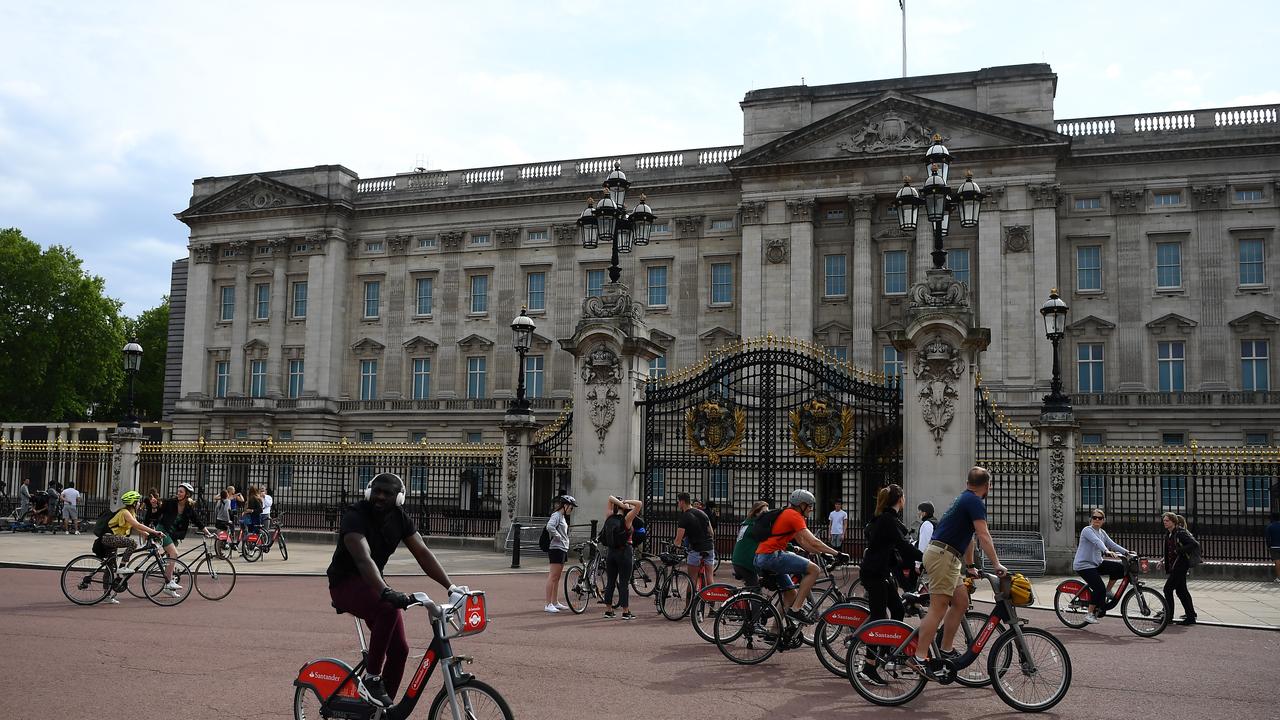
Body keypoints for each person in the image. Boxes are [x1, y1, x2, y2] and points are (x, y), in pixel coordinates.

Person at [327, 472, 457, 708]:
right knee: (387, 607)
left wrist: (451, 587)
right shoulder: (355, 515)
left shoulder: (400, 518)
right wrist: (386, 591)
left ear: (399, 498)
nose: (380, 496)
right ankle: (372, 678)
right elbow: (363, 559)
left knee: (400, 651)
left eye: (387, 493)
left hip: (374, 586)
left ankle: (381, 710)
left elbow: (423, 554)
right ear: (368, 491)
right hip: (345, 584)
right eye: (376, 490)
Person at [913, 467, 1006, 677]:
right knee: (938, 608)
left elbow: (969, 536)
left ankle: (945, 651)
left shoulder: (965, 498)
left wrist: (971, 565)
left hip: (947, 556)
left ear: (967, 483)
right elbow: (983, 535)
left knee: (961, 602)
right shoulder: (974, 502)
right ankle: (919, 657)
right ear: (987, 486)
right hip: (943, 556)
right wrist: (997, 564)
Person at [753, 489, 848, 625]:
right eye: (809, 506)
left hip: (763, 557)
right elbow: (813, 541)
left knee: (791, 594)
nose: (811, 509)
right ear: (801, 505)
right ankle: (796, 610)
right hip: (771, 556)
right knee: (814, 570)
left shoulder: (787, 513)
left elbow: (804, 543)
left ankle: (774, 632)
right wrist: (838, 553)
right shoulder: (794, 516)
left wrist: (823, 554)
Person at [859, 484, 922, 686]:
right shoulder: (887, 519)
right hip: (874, 574)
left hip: (881, 572)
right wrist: (927, 558)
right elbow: (903, 546)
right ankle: (868, 666)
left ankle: (885, 653)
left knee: (897, 610)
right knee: (880, 618)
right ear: (900, 499)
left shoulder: (888, 518)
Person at [99, 490, 167, 604]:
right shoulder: (125, 512)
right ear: (133, 503)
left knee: (111, 568)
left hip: (113, 538)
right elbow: (137, 524)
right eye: (138, 501)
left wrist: (146, 534)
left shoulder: (131, 513)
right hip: (109, 538)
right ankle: (123, 566)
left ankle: (107, 594)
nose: (140, 503)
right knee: (132, 543)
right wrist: (155, 532)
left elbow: (135, 527)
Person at [151, 482, 213, 595]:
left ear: (187, 494)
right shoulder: (170, 502)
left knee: (171, 558)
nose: (178, 493)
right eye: (178, 491)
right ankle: (169, 582)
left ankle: (168, 588)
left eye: (181, 491)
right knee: (174, 554)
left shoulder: (188, 507)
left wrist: (208, 533)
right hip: (163, 531)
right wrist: (155, 506)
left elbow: (197, 520)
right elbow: (156, 515)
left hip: (174, 535)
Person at [1072, 508, 1127, 624]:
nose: (1097, 520)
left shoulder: (1102, 532)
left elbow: (1113, 544)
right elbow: (1097, 542)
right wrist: (1106, 551)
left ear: (1103, 520)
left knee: (1119, 568)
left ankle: (1107, 591)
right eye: (1094, 517)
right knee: (1099, 588)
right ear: (1091, 519)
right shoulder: (1087, 530)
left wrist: (1127, 552)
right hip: (1084, 565)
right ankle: (1089, 614)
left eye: (1100, 518)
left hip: (1096, 563)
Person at [601, 495, 643, 620]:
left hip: (611, 552)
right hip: (625, 552)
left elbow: (609, 498)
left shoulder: (609, 516)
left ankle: (608, 610)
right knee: (624, 583)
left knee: (610, 582)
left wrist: (620, 503)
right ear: (623, 508)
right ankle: (625, 611)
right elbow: (639, 504)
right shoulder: (627, 519)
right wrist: (626, 503)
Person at [1161, 511, 1198, 626]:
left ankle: (1168, 617)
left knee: (1167, 589)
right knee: (1181, 591)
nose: (1165, 523)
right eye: (1164, 521)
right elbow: (1169, 551)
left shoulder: (1180, 533)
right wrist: (1163, 561)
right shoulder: (1169, 533)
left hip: (1181, 566)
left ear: (1173, 522)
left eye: (1167, 521)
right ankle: (1191, 616)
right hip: (1175, 566)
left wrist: (1179, 551)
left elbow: (1194, 544)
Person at [674, 493, 716, 589]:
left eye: (678, 502)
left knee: (692, 580)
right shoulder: (703, 513)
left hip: (696, 549)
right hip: (709, 547)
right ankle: (711, 598)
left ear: (682, 502)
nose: (678, 504)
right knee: (709, 576)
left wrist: (676, 548)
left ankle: (690, 603)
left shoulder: (684, 517)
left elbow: (678, 540)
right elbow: (711, 533)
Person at [543, 495, 576, 613]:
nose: (572, 510)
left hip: (562, 548)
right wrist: (559, 537)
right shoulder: (556, 515)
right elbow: (550, 527)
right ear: (565, 506)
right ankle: (548, 603)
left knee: (557, 577)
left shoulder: (561, 516)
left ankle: (555, 601)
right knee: (552, 576)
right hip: (556, 548)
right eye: (571, 508)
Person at [731, 501, 769, 587]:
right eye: (764, 512)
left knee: (752, 587)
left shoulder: (748, 523)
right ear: (756, 513)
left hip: (739, 561)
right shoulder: (756, 526)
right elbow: (770, 539)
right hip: (745, 563)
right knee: (755, 592)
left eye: (767, 512)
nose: (766, 514)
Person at [1267, 512, 1280, 584]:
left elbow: (1268, 538)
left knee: (1277, 562)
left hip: (1274, 546)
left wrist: (1269, 546)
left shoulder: (1270, 526)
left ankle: (1278, 577)